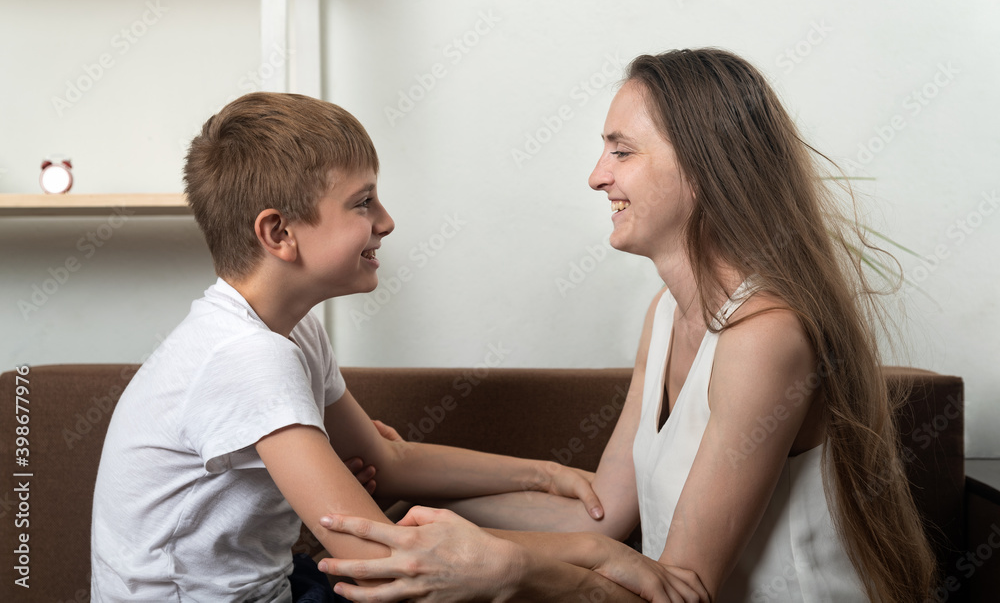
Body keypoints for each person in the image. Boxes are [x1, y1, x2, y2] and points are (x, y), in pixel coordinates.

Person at [314, 49, 939, 602]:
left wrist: (508, 568)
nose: (597, 176)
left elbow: (683, 589)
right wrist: (411, 514)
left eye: (622, 150)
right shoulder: (666, 313)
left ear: (704, 167)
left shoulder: (765, 338)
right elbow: (600, 516)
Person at [89, 92, 607, 602]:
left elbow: (388, 461)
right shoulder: (244, 355)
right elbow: (383, 563)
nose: (386, 221)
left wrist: (546, 474)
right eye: (363, 202)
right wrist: (590, 559)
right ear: (278, 232)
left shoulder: (294, 331)